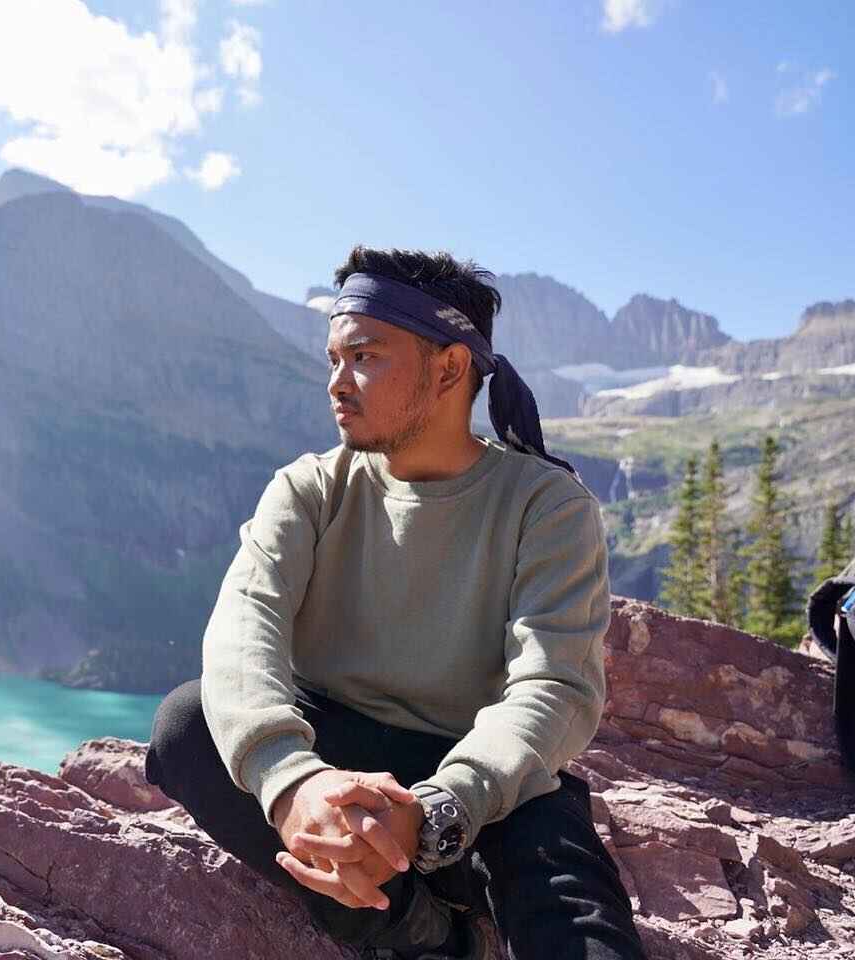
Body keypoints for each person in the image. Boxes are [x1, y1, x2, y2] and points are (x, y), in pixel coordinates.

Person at [144, 247, 646, 959]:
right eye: (332, 359)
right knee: (186, 725)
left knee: (571, 906)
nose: (336, 383)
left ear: (448, 368)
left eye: (365, 357)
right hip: (333, 749)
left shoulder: (546, 507)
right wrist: (296, 787)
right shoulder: (310, 489)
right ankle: (418, 936)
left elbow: (553, 688)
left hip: (480, 780)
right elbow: (241, 637)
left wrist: (437, 811)